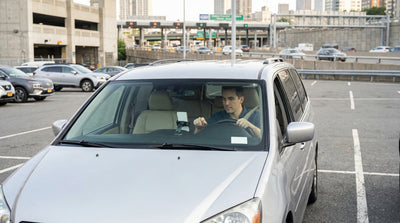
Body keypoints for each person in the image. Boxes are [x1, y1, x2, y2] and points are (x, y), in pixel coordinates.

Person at [193, 86, 261, 138]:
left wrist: (251, 126)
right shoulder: (217, 117)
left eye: (231, 99)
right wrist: (198, 128)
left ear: (241, 99)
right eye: (224, 99)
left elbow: (265, 138)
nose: (226, 103)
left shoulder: (256, 116)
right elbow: (200, 138)